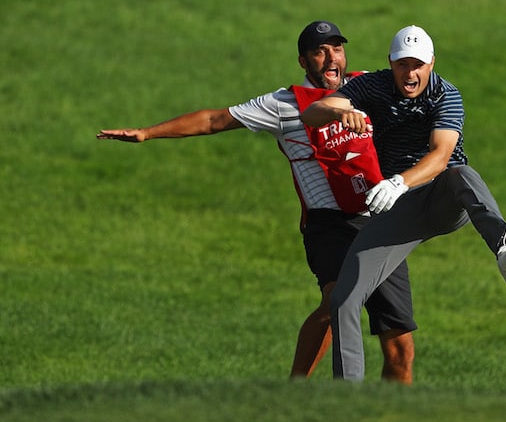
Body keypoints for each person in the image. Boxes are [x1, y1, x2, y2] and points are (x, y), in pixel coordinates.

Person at [97, 21, 416, 384]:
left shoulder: (367, 87)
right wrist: (147, 133)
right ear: (303, 61)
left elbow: (415, 90)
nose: (331, 57)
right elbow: (215, 119)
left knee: (400, 348)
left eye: (337, 48)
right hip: (327, 223)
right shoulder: (284, 104)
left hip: (378, 219)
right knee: (335, 303)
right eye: (319, 51)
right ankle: (294, 392)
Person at [301, 25, 506, 381]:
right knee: (343, 300)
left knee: (461, 174)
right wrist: (337, 112)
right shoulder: (373, 86)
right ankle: (346, 400)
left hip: (443, 200)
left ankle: (505, 245)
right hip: (399, 211)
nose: (410, 74)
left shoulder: (446, 94)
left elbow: (441, 157)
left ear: (431, 64)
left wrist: (400, 181)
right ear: (390, 63)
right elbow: (313, 113)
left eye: (418, 65)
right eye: (402, 64)